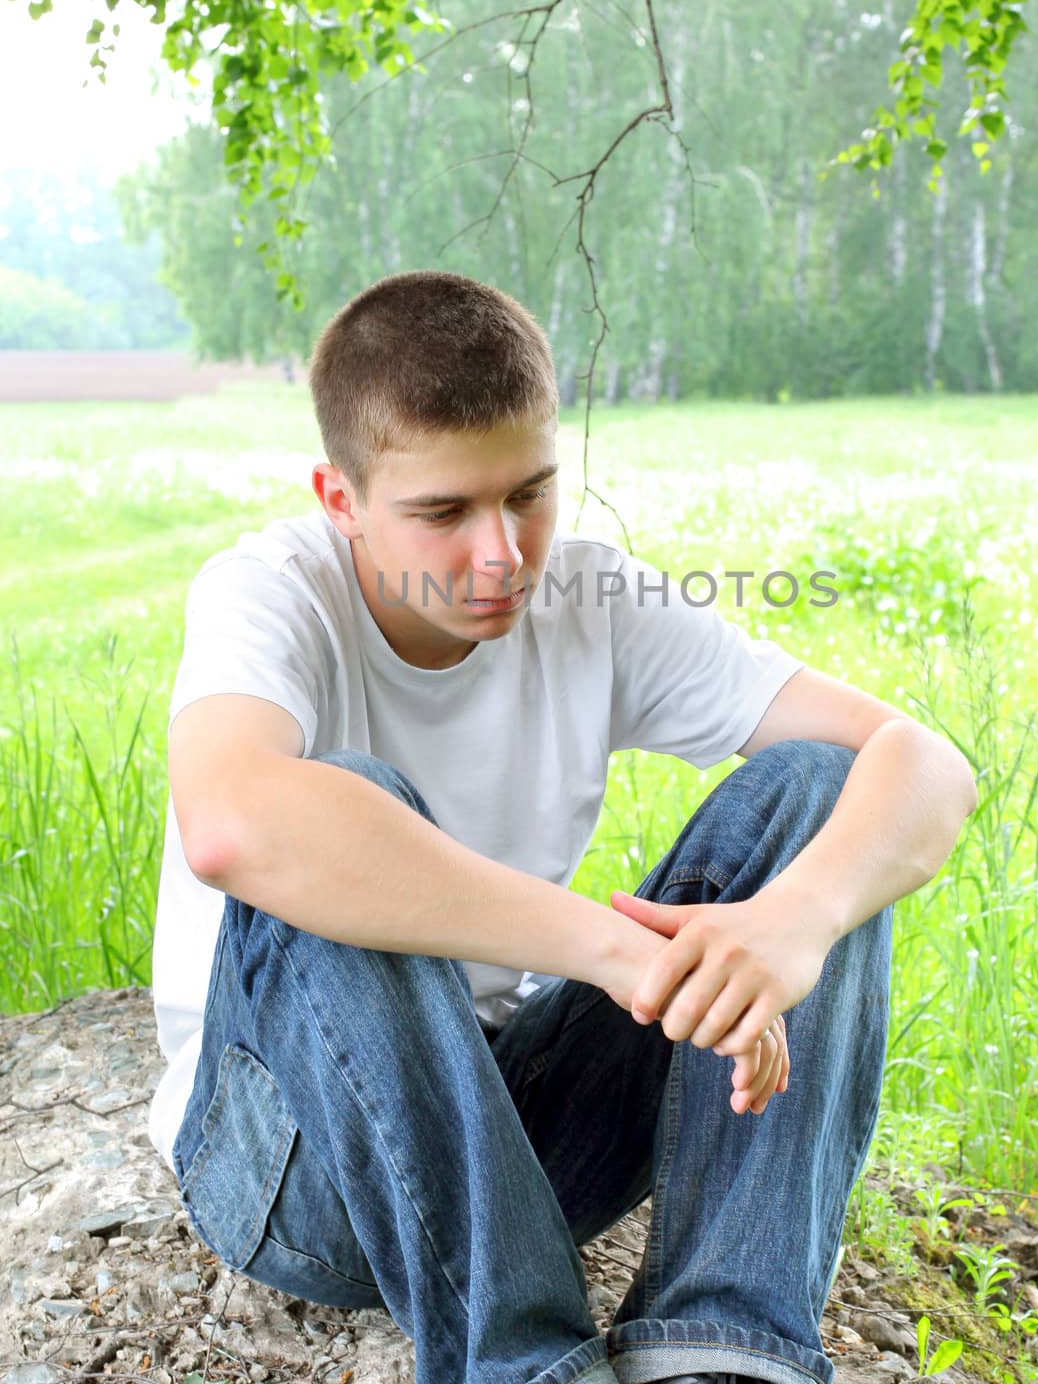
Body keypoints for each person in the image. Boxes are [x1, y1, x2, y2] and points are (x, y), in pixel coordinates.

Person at [149, 269, 977, 1384]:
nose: (500, 555)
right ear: (338, 498)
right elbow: (233, 821)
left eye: (529, 493)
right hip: (296, 1165)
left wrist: (793, 920)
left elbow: (921, 763)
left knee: (820, 788)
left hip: (523, 1128)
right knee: (337, 803)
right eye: (442, 511)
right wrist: (615, 949)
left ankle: (723, 1348)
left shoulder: (592, 600)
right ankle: (528, 1366)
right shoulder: (269, 592)